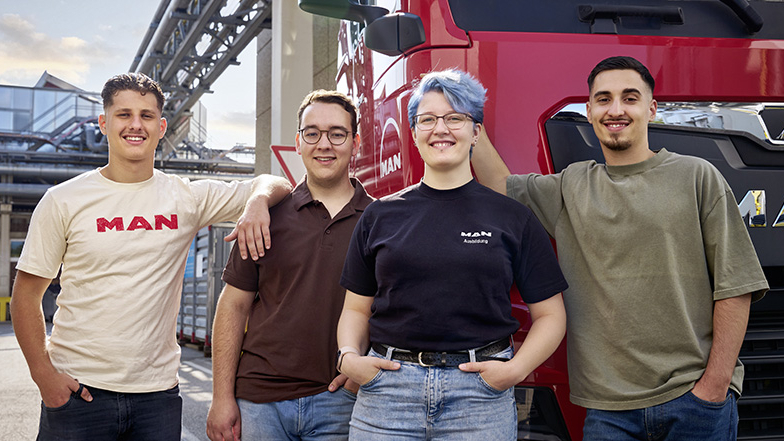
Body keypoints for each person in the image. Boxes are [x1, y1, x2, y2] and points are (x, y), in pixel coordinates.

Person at [471, 56, 769, 440]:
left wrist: (713, 388)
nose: (616, 110)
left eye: (629, 98)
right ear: (591, 110)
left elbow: (736, 285)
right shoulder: (571, 186)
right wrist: (465, 115)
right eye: (604, 99)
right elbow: (500, 185)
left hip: (694, 403)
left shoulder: (697, 177)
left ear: (651, 108)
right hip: (608, 413)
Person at [11, 72, 292, 441]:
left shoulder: (186, 198)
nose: (135, 125)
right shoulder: (64, 199)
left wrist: (256, 202)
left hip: (156, 398)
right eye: (124, 114)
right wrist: (45, 378)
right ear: (104, 123)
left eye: (146, 116)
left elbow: (277, 183)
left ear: (161, 127)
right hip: (79, 394)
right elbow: (25, 297)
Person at [336, 69, 568, 440]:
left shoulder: (513, 217)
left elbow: (551, 315)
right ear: (413, 133)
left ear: (476, 131)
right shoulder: (379, 215)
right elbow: (356, 309)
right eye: (427, 119)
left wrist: (514, 370)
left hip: (479, 399)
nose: (440, 128)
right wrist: (349, 356)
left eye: (455, 118)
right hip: (388, 395)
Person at [206, 90, 373, 441]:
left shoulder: (380, 220)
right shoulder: (265, 217)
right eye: (312, 133)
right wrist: (221, 397)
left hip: (341, 400)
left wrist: (363, 372)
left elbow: (394, 309)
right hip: (259, 401)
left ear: (355, 143)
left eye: (337, 134)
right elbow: (233, 305)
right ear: (298, 142)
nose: (323, 144)